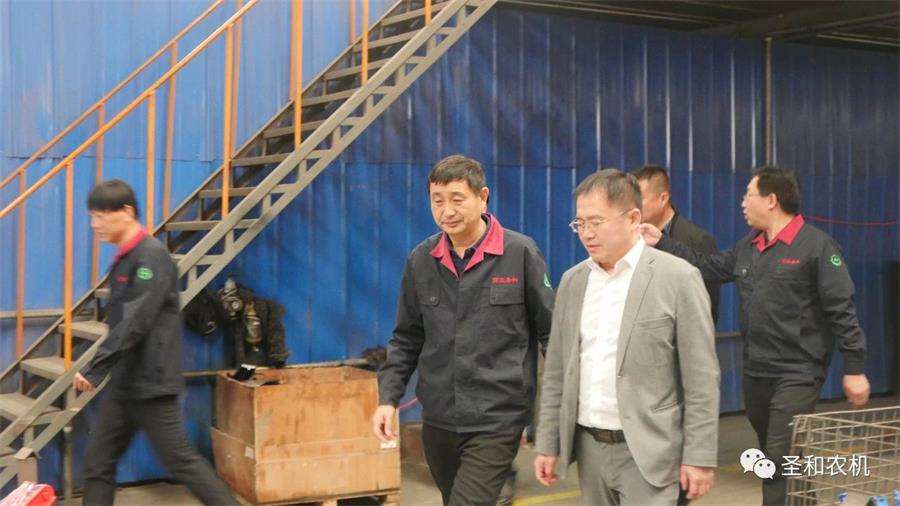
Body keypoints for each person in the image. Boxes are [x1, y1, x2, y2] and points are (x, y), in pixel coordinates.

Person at [639, 166, 870, 505]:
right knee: (782, 455)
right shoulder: (750, 245)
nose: (743, 202)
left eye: (749, 195)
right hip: (757, 370)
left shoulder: (817, 247)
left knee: (776, 458)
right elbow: (710, 265)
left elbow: (842, 310)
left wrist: (855, 368)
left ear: (771, 200)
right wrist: (662, 242)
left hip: (798, 372)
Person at [373, 155, 554, 505]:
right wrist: (388, 399)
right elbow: (407, 337)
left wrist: (554, 418)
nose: (447, 211)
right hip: (439, 419)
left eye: (457, 199)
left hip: (497, 418)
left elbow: (551, 335)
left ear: (482, 197)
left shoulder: (519, 253)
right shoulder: (421, 260)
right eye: (437, 201)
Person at [534, 169, 720, 505]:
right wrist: (548, 443)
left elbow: (701, 376)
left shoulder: (678, 278)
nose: (586, 233)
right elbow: (557, 370)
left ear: (634, 218)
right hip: (589, 450)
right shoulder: (574, 282)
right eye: (579, 224)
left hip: (651, 450)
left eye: (596, 222)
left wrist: (700, 455)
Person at [74, 179, 237, 506]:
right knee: (98, 463)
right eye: (93, 217)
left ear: (126, 212)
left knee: (181, 462)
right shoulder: (125, 259)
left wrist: (96, 367)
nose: (95, 225)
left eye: (101, 216)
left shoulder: (151, 257)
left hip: (152, 384)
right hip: (125, 382)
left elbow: (135, 321)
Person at [631, 165, 721, 323]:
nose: (633, 208)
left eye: (639, 200)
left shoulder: (697, 240)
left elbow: (707, 308)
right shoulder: (632, 237)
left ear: (663, 199)